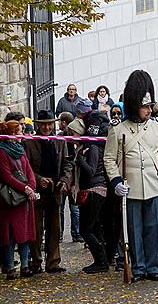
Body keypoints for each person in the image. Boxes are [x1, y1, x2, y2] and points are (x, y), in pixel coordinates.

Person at [104, 70, 158, 282]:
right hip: (130, 186)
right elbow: (109, 159)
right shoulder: (118, 130)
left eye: (150, 106)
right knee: (133, 231)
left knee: (153, 229)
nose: (148, 110)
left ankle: (154, 266)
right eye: (145, 106)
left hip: (153, 185)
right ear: (135, 106)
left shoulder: (157, 127)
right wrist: (115, 181)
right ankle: (138, 266)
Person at [22, 110, 74, 274]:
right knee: (36, 228)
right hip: (36, 190)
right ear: (38, 125)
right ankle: (36, 261)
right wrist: (38, 179)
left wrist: (65, 180)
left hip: (55, 189)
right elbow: (25, 167)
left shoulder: (59, 141)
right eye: (44, 124)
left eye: (50, 124)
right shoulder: (29, 142)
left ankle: (53, 262)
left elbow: (67, 163)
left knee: (55, 227)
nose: (47, 127)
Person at [0, 120, 38, 280]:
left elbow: (28, 170)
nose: (22, 134)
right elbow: (6, 175)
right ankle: (10, 266)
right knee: (11, 234)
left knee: (24, 232)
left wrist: (31, 185)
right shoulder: (1, 152)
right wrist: (25, 188)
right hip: (11, 199)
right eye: (19, 131)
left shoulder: (20, 149)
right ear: (11, 134)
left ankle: (25, 265)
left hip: (24, 198)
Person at [76, 109, 113, 273]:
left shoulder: (93, 147)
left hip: (94, 190)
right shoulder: (97, 144)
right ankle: (102, 259)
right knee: (94, 227)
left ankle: (101, 261)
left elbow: (91, 170)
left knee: (86, 229)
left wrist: (80, 159)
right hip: (97, 189)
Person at [56, 111, 82, 242]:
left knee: (74, 207)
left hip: (71, 175)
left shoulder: (68, 139)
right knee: (63, 207)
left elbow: (71, 160)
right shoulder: (60, 137)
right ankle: (63, 233)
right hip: (63, 176)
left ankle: (76, 233)